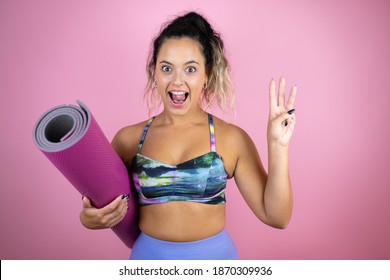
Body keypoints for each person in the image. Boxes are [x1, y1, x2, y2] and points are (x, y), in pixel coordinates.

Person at [79, 11, 297, 260]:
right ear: (154, 73)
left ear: (206, 75)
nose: (177, 81)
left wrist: (278, 146)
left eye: (190, 69)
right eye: (167, 68)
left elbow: (277, 217)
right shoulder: (128, 140)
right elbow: (95, 206)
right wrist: (88, 218)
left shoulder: (231, 139)